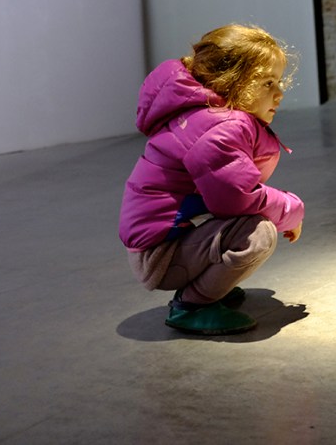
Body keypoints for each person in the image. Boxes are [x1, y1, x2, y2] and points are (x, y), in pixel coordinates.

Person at [119, 24, 305, 335]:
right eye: (267, 83)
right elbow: (236, 196)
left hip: (163, 243)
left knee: (250, 223)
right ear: (232, 82)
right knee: (259, 233)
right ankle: (192, 306)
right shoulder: (219, 127)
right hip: (160, 257)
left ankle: (209, 283)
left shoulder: (205, 115)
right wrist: (291, 210)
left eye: (280, 81)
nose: (279, 93)